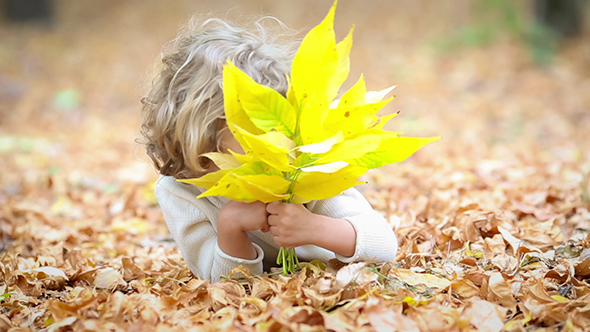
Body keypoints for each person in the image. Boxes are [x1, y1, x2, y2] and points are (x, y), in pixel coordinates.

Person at [140, 17, 398, 282]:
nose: (270, 147)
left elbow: (384, 247)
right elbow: (222, 283)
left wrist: (315, 228)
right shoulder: (180, 190)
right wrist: (231, 227)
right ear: (198, 137)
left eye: (272, 131)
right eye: (247, 134)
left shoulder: (300, 169)